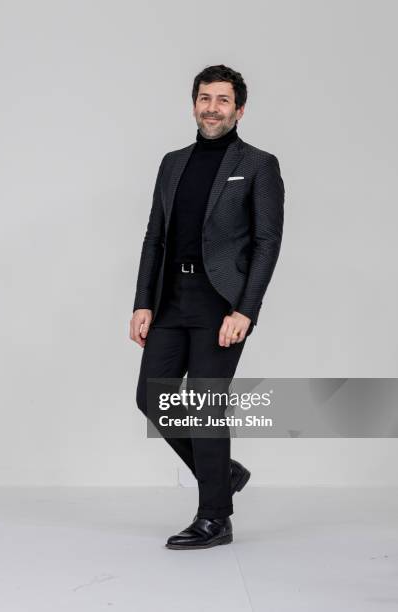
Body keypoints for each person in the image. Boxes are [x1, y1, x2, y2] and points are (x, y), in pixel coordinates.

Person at [130, 64, 285, 549]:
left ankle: (215, 516)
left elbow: (266, 242)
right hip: (171, 299)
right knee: (152, 397)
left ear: (239, 109)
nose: (211, 108)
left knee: (204, 406)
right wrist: (142, 303)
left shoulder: (258, 164)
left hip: (221, 304)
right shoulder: (172, 162)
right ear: (193, 103)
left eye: (222, 100)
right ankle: (224, 474)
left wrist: (246, 310)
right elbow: (155, 236)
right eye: (204, 98)